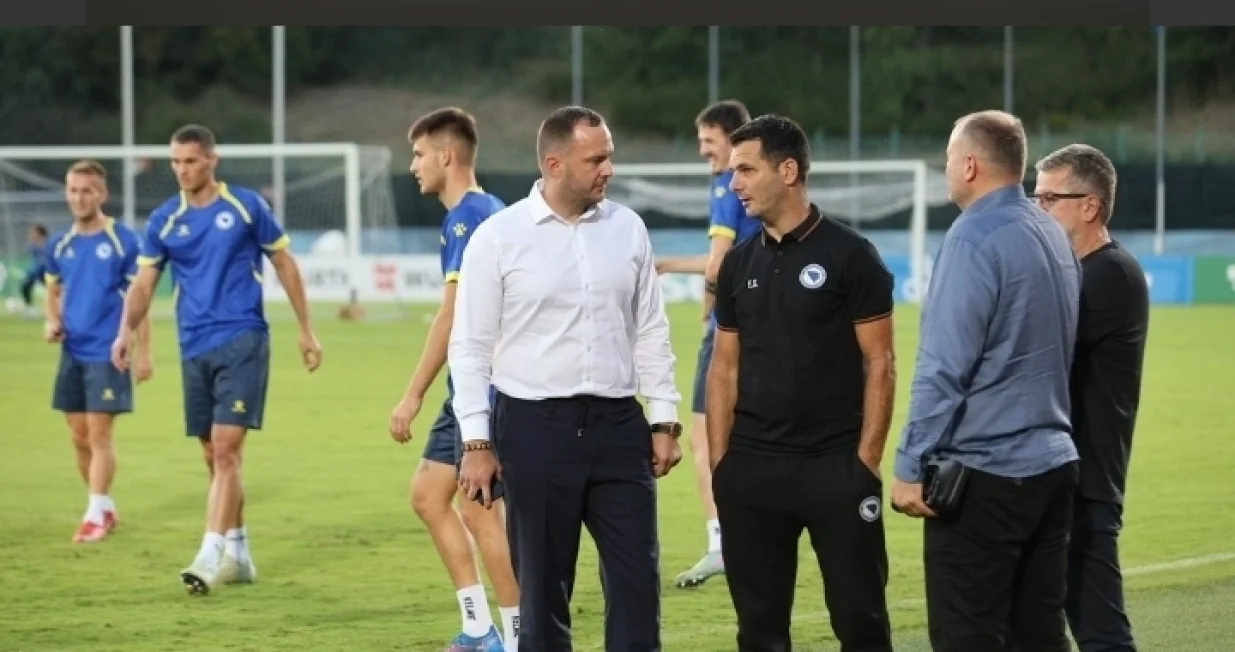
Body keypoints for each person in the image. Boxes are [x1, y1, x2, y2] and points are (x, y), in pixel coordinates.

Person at [450, 105, 683, 652]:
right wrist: (476, 441)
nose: (608, 169)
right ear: (554, 164)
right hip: (534, 428)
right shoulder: (497, 238)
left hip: (619, 426)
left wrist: (665, 417)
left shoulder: (628, 229)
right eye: (595, 159)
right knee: (543, 591)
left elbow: (649, 329)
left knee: (636, 581)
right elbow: (470, 347)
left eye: (610, 157)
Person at [890, 110, 1082, 652]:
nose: (947, 168)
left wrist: (908, 465)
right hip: (1052, 464)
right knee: (1039, 634)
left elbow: (942, 366)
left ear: (969, 164)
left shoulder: (973, 237)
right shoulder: (1049, 229)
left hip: (987, 475)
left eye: (950, 158)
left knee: (966, 635)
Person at [706, 114, 897, 652]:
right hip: (753, 471)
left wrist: (864, 463)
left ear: (787, 170)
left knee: (861, 621)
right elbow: (724, 368)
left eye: (746, 169)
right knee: (760, 631)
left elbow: (880, 362)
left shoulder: (850, 255)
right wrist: (724, 466)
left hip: (835, 468)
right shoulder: (739, 263)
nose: (734, 183)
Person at [112, 123, 322, 595]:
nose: (182, 170)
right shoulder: (165, 219)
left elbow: (284, 263)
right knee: (214, 455)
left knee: (227, 450)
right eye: (175, 162)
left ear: (211, 160)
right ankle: (240, 552)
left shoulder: (245, 205)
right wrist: (125, 330)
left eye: (190, 160)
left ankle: (209, 554)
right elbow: (144, 284)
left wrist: (306, 329)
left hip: (244, 338)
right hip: (193, 346)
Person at [386, 107, 519, 652]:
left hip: (484, 389)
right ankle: (478, 628)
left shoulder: (469, 216)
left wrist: (410, 395)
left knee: (479, 509)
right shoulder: (480, 211)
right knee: (428, 495)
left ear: (446, 155)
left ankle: (517, 638)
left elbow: (451, 315)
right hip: (475, 384)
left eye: (418, 154)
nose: (413, 165)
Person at [1034, 143, 1149, 652]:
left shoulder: (1108, 274)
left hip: (1085, 480)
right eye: (1034, 198)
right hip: (1058, 473)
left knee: (1100, 632)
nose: (1037, 210)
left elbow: (1032, 347)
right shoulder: (1077, 272)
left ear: (1089, 206)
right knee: (1033, 625)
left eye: (1048, 199)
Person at [653, 99, 761, 589]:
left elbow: (719, 264)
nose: (702, 151)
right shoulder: (758, 184)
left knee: (704, 438)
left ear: (733, 138)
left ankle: (722, 545)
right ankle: (757, 537)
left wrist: (666, 264)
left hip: (731, 330)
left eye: (708, 140)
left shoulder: (725, 187)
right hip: (761, 322)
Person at [43, 160, 152, 543]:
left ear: (101, 195)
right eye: (73, 190)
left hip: (110, 352)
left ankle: (94, 512)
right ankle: (103, 506)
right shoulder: (60, 244)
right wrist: (51, 322)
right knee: (78, 436)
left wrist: (143, 353)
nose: (78, 197)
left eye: (86, 190)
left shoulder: (123, 240)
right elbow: (52, 292)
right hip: (72, 352)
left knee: (99, 434)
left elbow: (140, 300)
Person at [20, 224, 50, 318]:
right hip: (34, 273)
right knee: (24, 286)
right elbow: (34, 262)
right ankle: (30, 309)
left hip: (46, 273)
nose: (32, 235)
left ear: (40, 234)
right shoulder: (32, 247)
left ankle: (54, 309)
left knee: (52, 291)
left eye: (34, 233)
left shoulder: (48, 246)